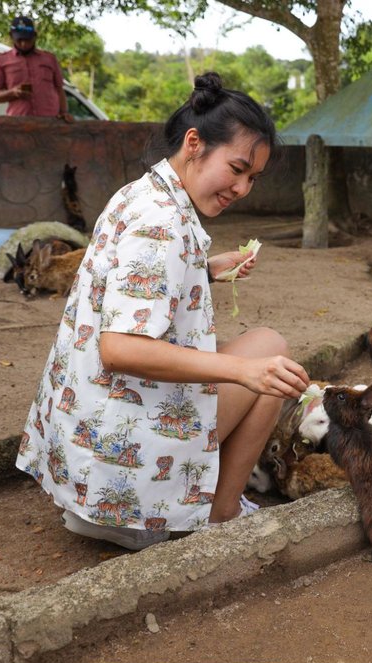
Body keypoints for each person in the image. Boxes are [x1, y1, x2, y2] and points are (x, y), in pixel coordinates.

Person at [16, 72, 309, 550]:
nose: (242, 188)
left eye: (252, 178)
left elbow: (128, 286)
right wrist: (244, 372)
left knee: (260, 351)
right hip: (124, 477)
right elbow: (120, 348)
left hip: (87, 461)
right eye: (237, 169)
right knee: (268, 358)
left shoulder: (143, 193)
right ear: (195, 144)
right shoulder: (163, 222)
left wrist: (203, 270)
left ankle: (161, 506)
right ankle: (218, 515)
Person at [0, 16, 73, 121]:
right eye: (19, 40)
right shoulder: (1, 61)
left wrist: (64, 112)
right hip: (18, 122)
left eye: (27, 40)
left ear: (34, 36)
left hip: (49, 121)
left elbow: (59, 89)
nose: (24, 44)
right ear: (11, 36)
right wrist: (13, 92)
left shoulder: (49, 59)